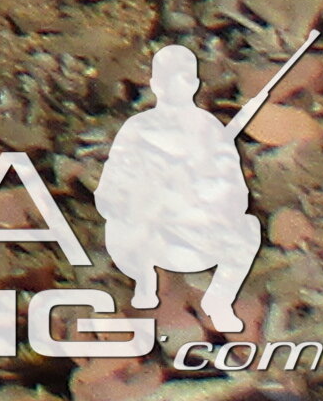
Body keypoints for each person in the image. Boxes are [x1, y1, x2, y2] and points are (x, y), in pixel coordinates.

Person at [93, 43, 261, 336]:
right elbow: (110, 189)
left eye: (184, 80)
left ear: (195, 84)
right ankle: (146, 289)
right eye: (169, 81)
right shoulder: (138, 128)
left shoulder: (210, 129)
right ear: (156, 84)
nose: (176, 89)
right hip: (146, 233)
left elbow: (236, 193)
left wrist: (204, 188)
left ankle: (219, 301)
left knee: (248, 228)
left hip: (196, 229)